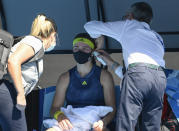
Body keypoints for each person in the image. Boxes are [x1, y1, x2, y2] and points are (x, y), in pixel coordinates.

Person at [84, 2, 167, 131]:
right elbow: (143, 73)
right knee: (151, 125)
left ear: (130, 16)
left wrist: (99, 38)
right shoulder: (157, 37)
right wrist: (110, 62)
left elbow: (89, 26)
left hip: (138, 75)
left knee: (126, 122)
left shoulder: (129, 25)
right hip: (160, 78)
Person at [0, 14, 58, 131]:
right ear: (52, 35)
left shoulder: (30, 43)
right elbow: (13, 61)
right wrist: (21, 94)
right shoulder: (35, 42)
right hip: (7, 91)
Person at [48, 33, 116, 131]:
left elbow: (112, 110)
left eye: (85, 48)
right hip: (70, 121)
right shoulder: (64, 78)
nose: (80, 51)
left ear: (92, 52)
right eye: (76, 47)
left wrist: (102, 123)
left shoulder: (104, 76)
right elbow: (54, 108)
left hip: (96, 123)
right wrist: (60, 116)